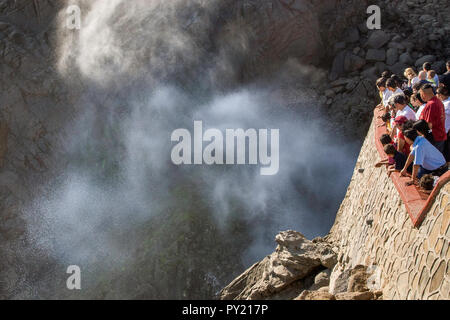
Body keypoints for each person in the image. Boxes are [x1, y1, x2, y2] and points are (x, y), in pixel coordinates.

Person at [419, 83, 447, 153]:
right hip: (439, 134)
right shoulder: (438, 101)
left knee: (434, 161)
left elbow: (429, 124)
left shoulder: (431, 104)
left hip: (434, 137)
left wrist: (423, 136)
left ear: (423, 94)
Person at [436, 86, 450, 161]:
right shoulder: (444, 102)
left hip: (446, 131)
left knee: (445, 151)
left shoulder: (448, 103)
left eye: (437, 93)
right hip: (443, 130)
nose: (436, 95)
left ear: (440, 95)